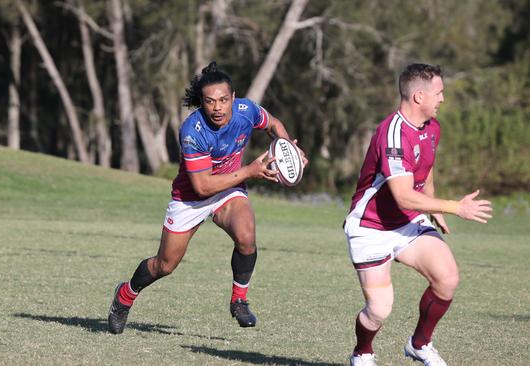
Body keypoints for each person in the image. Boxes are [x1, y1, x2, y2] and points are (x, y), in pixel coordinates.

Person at [107, 61, 307, 334]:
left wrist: (288, 148)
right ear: (202, 103)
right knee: (164, 265)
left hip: (228, 190)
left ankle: (239, 300)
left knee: (247, 238)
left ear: (233, 98)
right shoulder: (193, 131)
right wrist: (249, 171)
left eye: (224, 100)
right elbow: (202, 187)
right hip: (191, 199)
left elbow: (273, 124)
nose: (218, 108)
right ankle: (125, 296)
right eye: (210, 101)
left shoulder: (246, 111)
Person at [343, 63, 492, 366]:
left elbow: (426, 165)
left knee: (447, 278)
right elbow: (402, 194)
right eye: (439, 93)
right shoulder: (393, 134)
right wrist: (454, 206)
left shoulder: (431, 127)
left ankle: (419, 344)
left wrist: (434, 204)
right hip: (371, 227)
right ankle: (362, 353)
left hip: (407, 221)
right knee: (379, 309)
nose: (443, 99)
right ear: (418, 97)